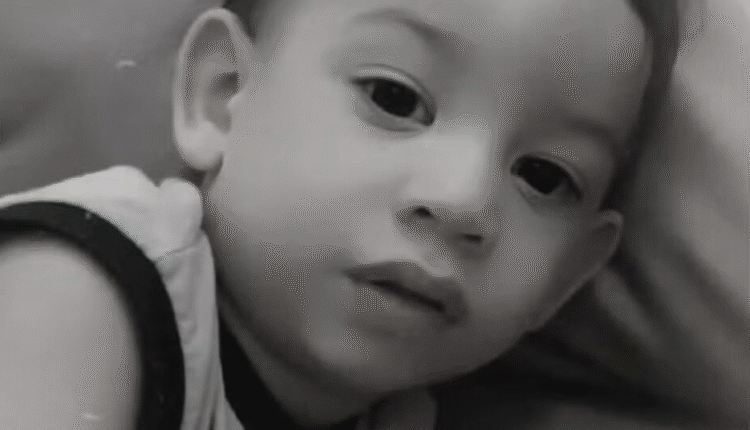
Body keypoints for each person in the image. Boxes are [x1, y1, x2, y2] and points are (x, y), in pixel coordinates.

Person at [0, 0, 680, 429]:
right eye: (394, 98)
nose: (462, 201)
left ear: (566, 278)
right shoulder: (80, 294)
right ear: (224, 94)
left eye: (544, 176)